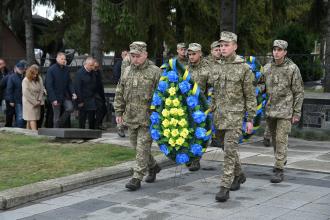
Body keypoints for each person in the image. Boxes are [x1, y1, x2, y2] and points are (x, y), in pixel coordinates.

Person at [210, 31, 256, 202]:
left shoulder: (244, 67)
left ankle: (224, 187)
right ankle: (239, 175)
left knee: (229, 152)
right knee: (226, 148)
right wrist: (211, 109)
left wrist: (250, 119)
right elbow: (214, 92)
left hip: (235, 118)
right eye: (220, 45)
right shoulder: (217, 66)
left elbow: (250, 96)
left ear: (235, 46)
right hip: (220, 117)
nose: (222, 48)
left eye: (226, 45)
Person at [114, 41, 162, 191]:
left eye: (138, 56)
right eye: (132, 56)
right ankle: (153, 166)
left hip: (148, 117)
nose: (135, 59)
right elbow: (119, 92)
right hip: (131, 116)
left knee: (142, 147)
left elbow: (162, 95)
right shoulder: (127, 71)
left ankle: (136, 177)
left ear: (145, 55)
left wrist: (159, 115)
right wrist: (118, 112)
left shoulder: (155, 71)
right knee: (136, 146)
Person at [264, 40, 304, 183]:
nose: (276, 52)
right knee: (275, 140)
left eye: (279, 50)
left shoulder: (292, 68)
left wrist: (297, 112)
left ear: (285, 52)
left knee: (281, 139)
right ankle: (281, 159)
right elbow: (262, 86)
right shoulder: (267, 68)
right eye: (274, 49)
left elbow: (299, 92)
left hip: (286, 111)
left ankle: (279, 169)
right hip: (271, 110)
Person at [186, 43, 212, 171]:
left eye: (194, 54)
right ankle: (190, 155)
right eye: (189, 54)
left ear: (200, 54)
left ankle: (196, 159)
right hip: (187, 107)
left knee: (200, 134)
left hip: (202, 107)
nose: (191, 56)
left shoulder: (208, 69)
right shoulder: (185, 69)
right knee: (189, 133)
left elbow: (212, 88)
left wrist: (209, 106)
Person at [45, 52, 76, 128]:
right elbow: (49, 86)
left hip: (65, 95)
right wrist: (53, 99)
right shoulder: (51, 70)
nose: (63, 60)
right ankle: (56, 133)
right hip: (56, 96)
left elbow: (69, 82)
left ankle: (60, 122)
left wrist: (73, 92)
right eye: (62, 59)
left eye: (64, 59)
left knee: (70, 108)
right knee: (56, 116)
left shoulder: (66, 69)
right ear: (57, 59)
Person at [74, 57, 98, 129]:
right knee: (82, 118)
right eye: (91, 65)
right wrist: (80, 101)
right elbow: (77, 88)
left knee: (92, 117)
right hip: (83, 99)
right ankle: (81, 133)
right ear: (86, 64)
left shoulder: (93, 72)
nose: (92, 67)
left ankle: (92, 133)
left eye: (93, 65)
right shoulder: (79, 73)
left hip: (91, 98)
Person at [22, 64, 45, 130]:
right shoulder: (25, 80)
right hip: (29, 103)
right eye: (33, 74)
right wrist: (34, 102)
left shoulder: (39, 78)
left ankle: (27, 133)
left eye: (36, 74)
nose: (35, 76)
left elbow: (41, 89)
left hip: (38, 101)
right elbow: (26, 93)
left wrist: (39, 100)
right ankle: (34, 134)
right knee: (32, 119)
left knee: (29, 119)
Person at [6, 60, 28, 128]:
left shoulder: (24, 76)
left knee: (23, 115)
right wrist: (11, 100)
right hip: (17, 99)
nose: (21, 70)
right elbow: (9, 89)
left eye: (22, 69)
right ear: (16, 68)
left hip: (24, 99)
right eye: (20, 69)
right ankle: (20, 129)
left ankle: (21, 127)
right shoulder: (12, 77)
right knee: (19, 116)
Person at [94, 60, 107, 130]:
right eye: (95, 67)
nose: (97, 68)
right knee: (100, 109)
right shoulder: (92, 73)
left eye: (97, 67)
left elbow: (100, 85)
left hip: (100, 93)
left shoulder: (98, 72)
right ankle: (97, 124)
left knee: (104, 110)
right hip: (95, 95)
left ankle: (99, 123)